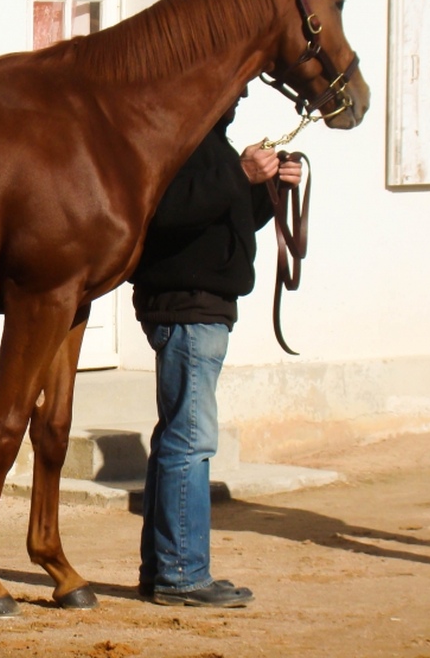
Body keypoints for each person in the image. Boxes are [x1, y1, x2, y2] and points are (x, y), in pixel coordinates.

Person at [129, 91, 302, 607]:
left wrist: (264, 189)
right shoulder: (178, 142)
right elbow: (165, 215)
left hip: (196, 310)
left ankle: (166, 569)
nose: (242, 93)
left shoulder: (209, 145)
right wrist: (241, 176)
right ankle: (182, 575)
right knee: (190, 442)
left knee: (176, 441)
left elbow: (217, 220)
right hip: (187, 311)